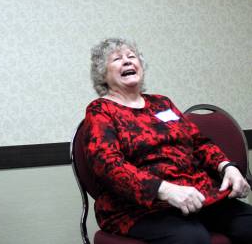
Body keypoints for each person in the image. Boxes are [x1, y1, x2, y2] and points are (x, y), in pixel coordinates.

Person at [82, 38, 252, 243]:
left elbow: (198, 142)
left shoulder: (161, 102)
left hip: (195, 195)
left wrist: (227, 166)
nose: (127, 61)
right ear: (103, 74)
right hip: (138, 208)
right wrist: (165, 190)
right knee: (192, 238)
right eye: (117, 59)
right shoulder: (101, 110)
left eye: (131, 56)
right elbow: (107, 165)